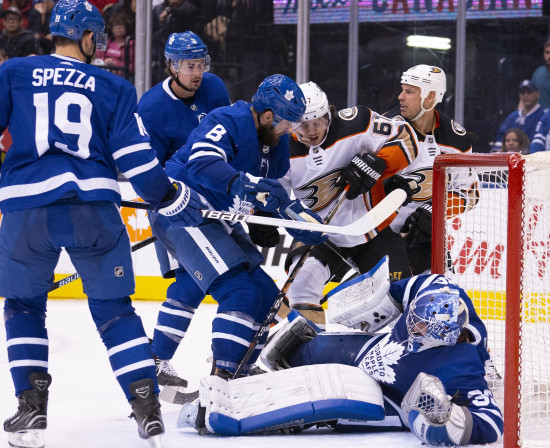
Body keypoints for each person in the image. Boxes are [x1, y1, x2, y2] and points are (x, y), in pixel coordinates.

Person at [0, 0, 206, 445]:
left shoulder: (15, 72)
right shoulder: (114, 86)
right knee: (114, 312)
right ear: (89, 37)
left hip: (27, 214)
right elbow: (137, 163)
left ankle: (31, 410)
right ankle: (147, 410)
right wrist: (169, 197)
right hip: (95, 211)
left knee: (24, 307)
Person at [180, 258, 503, 446]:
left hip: (386, 393)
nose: (413, 328)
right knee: (293, 346)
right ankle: (252, 377)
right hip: (369, 350)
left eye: (421, 329)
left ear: (445, 336)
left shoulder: (462, 365)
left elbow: (491, 423)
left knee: (339, 398)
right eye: (412, 320)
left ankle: (235, 416)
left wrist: (449, 420)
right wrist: (385, 297)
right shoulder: (442, 294)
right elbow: (426, 281)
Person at [150, 73, 327, 380]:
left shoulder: (277, 142)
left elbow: (273, 192)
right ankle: (223, 381)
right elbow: (203, 164)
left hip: (219, 220)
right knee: (239, 291)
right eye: (288, 124)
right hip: (185, 211)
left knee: (266, 296)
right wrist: (250, 189)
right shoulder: (228, 120)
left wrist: (296, 221)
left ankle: (241, 370)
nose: (292, 131)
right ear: (269, 116)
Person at [277, 80, 420, 326]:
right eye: (304, 125)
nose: (312, 131)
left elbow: (407, 140)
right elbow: (276, 198)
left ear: (328, 114)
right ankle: (309, 353)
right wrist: (295, 222)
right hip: (321, 234)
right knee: (300, 288)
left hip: (372, 230)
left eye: (318, 122)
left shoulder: (356, 122)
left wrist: (379, 163)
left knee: (400, 303)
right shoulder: (282, 149)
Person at [136, 30, 230, 393]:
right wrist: (171, 204)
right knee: (195, 279)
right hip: (176, 206)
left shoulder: (215, 88)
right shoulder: (151, 108)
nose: (198, 72)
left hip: (217, 201)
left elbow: (230, 137)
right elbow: (150, 170)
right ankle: (228, 359)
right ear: (171, 66)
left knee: (213, 278)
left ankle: (224, 357)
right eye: (190, 65)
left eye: (201, 64)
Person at [385, 64, 475, 276]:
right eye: (402, 90)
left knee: (447, 294)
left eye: (409, 91)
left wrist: (435, 211)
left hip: (425, 235)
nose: (400, 97)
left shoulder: (455, 138)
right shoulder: (385, 128)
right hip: (378, 234)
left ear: (430, 96)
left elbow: (470, 193)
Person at [492, 79, 544, 152]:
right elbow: (501, 136)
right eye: (523, 93)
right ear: (519, 95)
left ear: (537, 94)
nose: (526, 95)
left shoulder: (544, 114)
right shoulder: (512, 117)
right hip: (512, 158)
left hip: (533, 158)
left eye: (529, 92)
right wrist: (497, 150)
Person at [94, 14, 133, 78]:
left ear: (126, 27)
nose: (118, 28)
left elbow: (132, 67)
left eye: (121, 25)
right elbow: (98, 59)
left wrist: (115, 63)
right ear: (111, 28)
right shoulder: (102, 40)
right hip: (106, 75)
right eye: (115, 25)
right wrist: (105, 62)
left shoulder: (131, 43)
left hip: (124, 77)